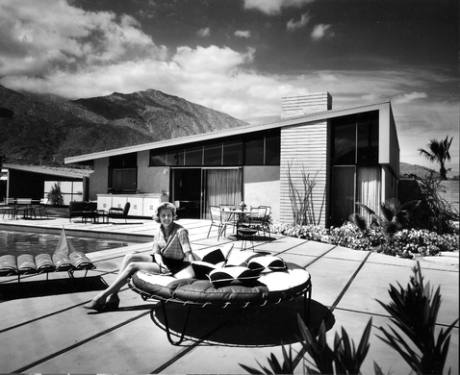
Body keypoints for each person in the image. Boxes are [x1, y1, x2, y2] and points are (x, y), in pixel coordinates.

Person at [84, 202, 197, 312]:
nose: (166, 218)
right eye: (163, 215)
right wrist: (160, 263)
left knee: (133, 266)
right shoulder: (158, 230)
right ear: (158, 217)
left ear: (173, 216)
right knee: (129, 257)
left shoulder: (181, 231)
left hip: (173, 265)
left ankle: (102, 296)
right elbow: (156, 252)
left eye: (169, 215)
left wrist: (195, 271)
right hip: (161, 260)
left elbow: (188, 253)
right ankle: (113, 295)